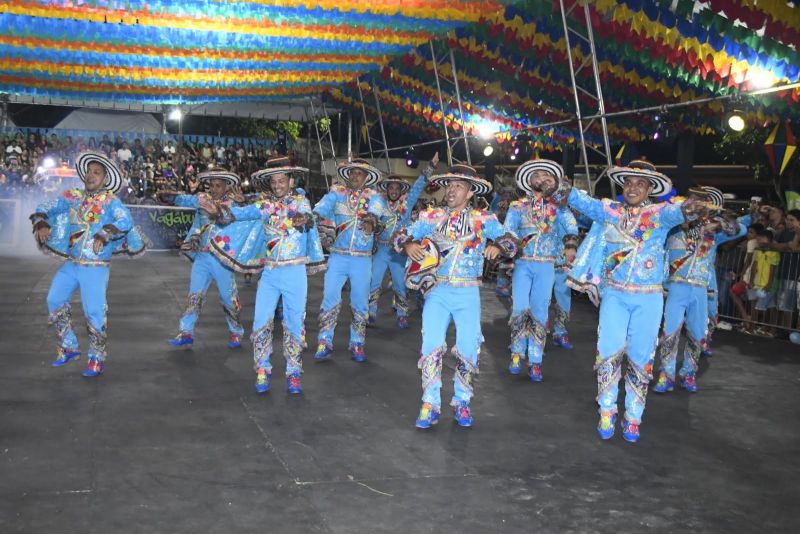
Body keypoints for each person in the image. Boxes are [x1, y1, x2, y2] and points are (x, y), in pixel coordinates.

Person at [566, 166, 706, 442]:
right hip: (615, 295)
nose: (632, 188)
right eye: (628, 183)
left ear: (650, 189)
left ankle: (633, 416)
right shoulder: (611, 212)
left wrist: (688, 207)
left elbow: (677, 212)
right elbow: (582, 202)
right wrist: (560, 186)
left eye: (640, 184)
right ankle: (607, 410)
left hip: (649, 297)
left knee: (642, 355)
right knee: (608, 350)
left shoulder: (659, 215)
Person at [395, 165, 518, 428]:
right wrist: (408, 244)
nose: (451, 189)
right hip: (437, 291)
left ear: (471, 191)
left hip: (468, 293)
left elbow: (512, 241)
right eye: (449, 184)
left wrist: (497, 245)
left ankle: (462, 402)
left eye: (458, 185)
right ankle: (430, 403)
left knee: (467, 347)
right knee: (431, 345)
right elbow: (400, 235)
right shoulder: (432, 216)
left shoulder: (483, 219)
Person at [202, 161, 325, 394]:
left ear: (291, 181)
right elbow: (242, 213)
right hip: (270, 273)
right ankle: (262, 369)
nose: (278, 186)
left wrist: (303, 220)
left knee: (294, 322)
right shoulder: (266, 205)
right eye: (274, 182)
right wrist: (219, 211)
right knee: (261, 320)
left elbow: (307, 217)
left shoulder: (301, 202)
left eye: (282, 181)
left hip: (295, 272)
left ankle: (294, 372)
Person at [30, 151, 145, 377]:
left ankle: (96, 357)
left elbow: (125, 220)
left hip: (96, 267)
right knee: (54, 299)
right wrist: (41, 220)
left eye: (97, 173)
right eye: (89, 172)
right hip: (72, 263)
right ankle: (70, 345)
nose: (91, 176)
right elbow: (48, 203)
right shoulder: (73, 196)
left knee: (94, 311)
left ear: (104, 178)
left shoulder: (111, 201)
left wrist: (105, 232)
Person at [653, 186, 750, 393]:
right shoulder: (672, 227)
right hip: (677, 287)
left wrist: (723, 219)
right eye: (693, 201)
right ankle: (666, 374)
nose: (697, 206)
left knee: (697, 333)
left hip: (700, 290)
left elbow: (741, 230)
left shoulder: (713, 232)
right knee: (670, 332)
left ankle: (688, 373)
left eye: (702, 203)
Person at [503, 159, 578, 381]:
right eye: (537, 175)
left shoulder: (559, 208)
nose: (541, 179)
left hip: (546, 264)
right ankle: (517, 352)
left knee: (539, 310)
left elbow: (571, 226)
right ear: (529, 180)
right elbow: (508, 230)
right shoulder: (517, 206)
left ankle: (535, 360)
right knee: (520, 307)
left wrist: (570, 247)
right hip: (523, 263)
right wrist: (507, 248)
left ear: (552, 181)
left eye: (547, 176)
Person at [160, 167, 246, 348]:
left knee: (228, 297)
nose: (214, 189)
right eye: (212, 185)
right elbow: (185, 198)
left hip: (223, 259)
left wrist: (242, 204)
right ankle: (186, 332)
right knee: (194, 295)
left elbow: (247, 217)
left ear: (226, 187)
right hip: (202, 257)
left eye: (218, 186)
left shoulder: (233, 205)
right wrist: (171, 196)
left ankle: (236, 331)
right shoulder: (202, 200)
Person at [312, 159, 387, 362]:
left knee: (360, 301)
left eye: (359, 174)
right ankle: (325, 341)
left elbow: (376, 212)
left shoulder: (375, 197)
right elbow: (322, 207)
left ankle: (357, 343)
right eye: (352, 173)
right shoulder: (337, 194)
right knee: (329, 297)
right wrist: (313, 215)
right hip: (338, 255)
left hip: (362, 259)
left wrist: (371, 220)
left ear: (367, 178)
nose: (355, 176)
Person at [368, 153, 438, 328]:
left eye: (396, 188)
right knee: (374, 281)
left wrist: (431, 166)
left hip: (399, 253)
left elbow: (418, 186)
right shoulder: (379, 204)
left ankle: (402, 313)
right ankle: (370, 313)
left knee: (400, 284)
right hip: (382, 250)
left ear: (400, 191)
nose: (393, 190)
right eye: (390, 188)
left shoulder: (407, 204)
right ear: (387, 190)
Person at [490, 185, 516, 298]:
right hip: (502, 238)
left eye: (509, 194)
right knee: (505, 261)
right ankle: (501, 286)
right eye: (505, 194)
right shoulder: (498, 206)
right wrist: (501, 210)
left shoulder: (516, 207)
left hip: (515, 238)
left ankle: (511, 286)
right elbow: (494, 221)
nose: (507, 196)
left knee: (513, 263)